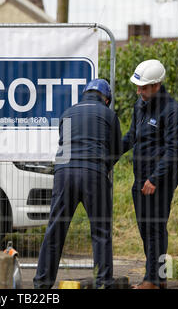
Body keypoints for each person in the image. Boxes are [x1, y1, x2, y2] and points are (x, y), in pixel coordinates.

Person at [33, 79, 122, 289]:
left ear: (85, 94)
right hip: (94, 174)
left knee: (55, 229)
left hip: (64, 174)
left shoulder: (68, 113)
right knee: (101, 231)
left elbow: (63, 142)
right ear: (106, 99)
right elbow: (116, 149)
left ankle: (41, 285)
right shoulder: (109, 115)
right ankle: (103, 284)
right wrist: (103, 165)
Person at [122, 59, 178, 289]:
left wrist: (155, 179)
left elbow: (173, 152)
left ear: (157, 85)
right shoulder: (140, 105)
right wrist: (110, 156)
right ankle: (160, 278)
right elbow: (131, 136)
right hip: (141, 178)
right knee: (145, 228)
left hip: (159, 181)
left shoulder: (173, 112)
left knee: (154, 229)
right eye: (138, 87)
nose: (139, 91)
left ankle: (151, 280)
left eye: (144, 87)